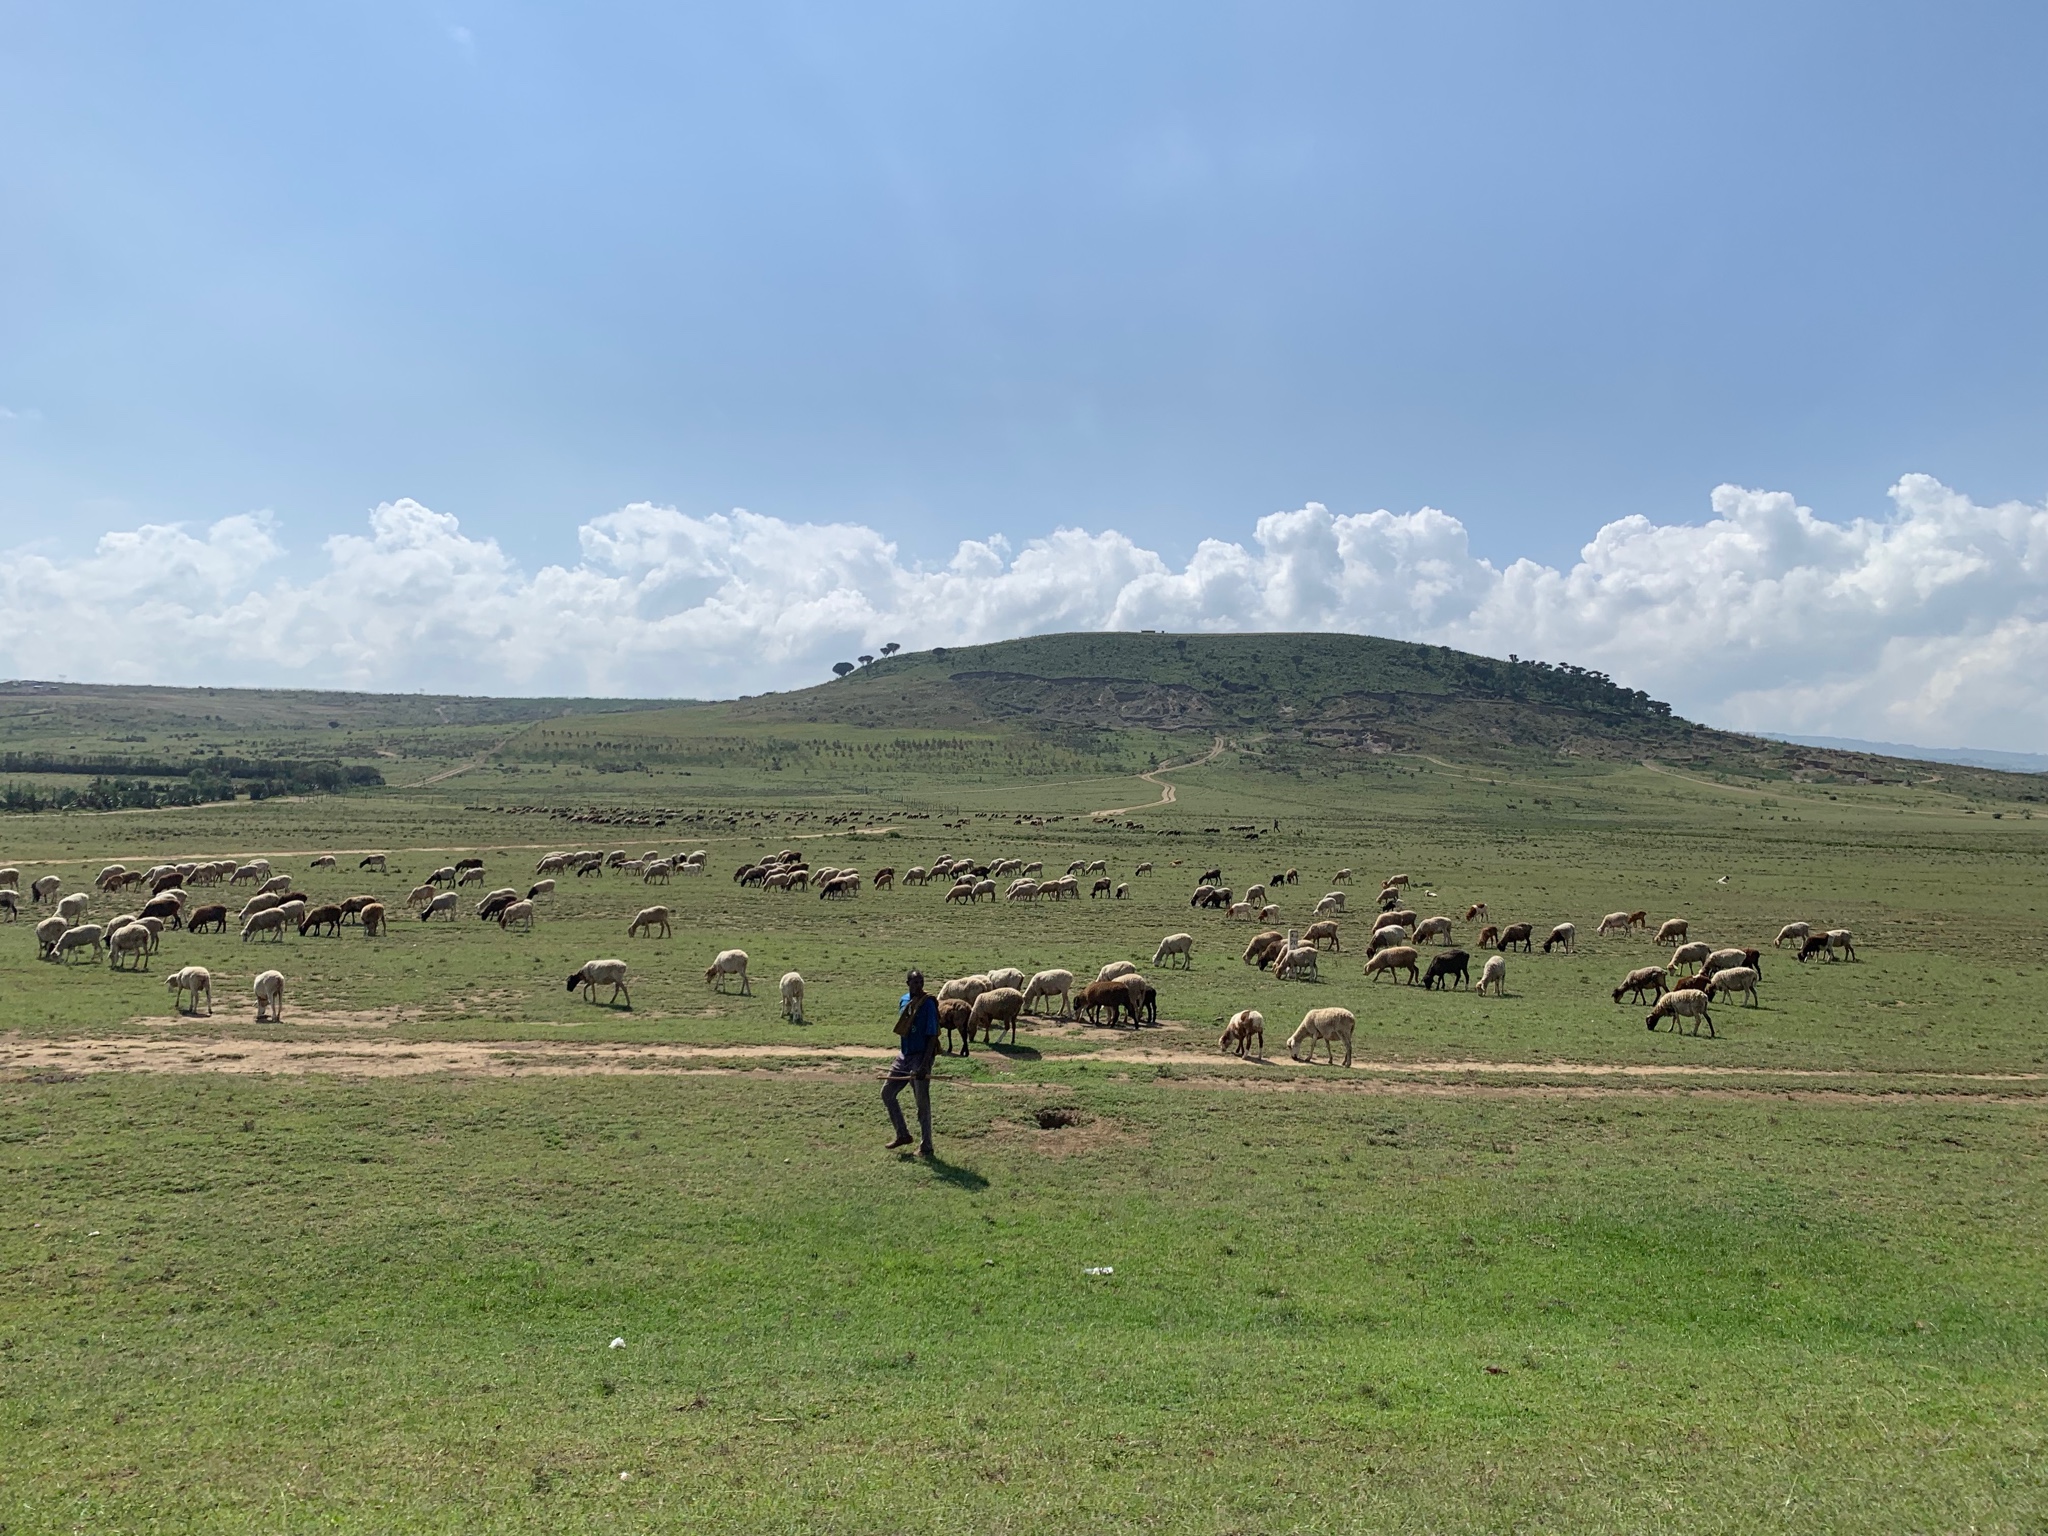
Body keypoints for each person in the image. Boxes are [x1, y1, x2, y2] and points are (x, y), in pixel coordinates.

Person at [883, 969, 940, 1156]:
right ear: (907, 983)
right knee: (887, 1093)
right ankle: (902, 1134)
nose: (918, 985)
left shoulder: (928, 1004)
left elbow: (932, 1035)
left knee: (921, 1102)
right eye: (914, 982)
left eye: (921, 982)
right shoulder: (903, 1000)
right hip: (904, 1055)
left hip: (921, 1055)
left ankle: (927, 1146)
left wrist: (924, 1065)